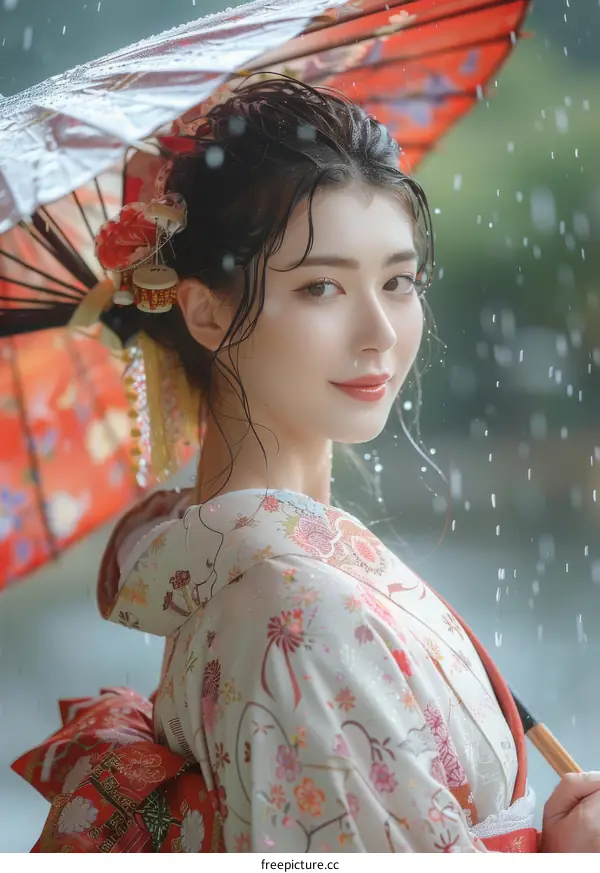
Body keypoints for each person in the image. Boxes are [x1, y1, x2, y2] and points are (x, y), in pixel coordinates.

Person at [14, 78, 600, 853]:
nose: (380, 334)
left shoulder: (239, 561)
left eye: (398, 282)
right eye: (321, 286)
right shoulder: (295, 611)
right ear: (204, 311)